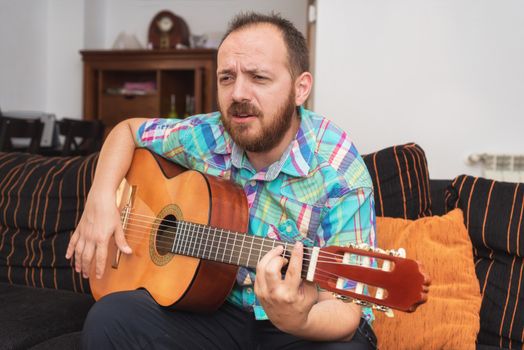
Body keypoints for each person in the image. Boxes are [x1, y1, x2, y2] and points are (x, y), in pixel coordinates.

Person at [66, 12, 377, 350]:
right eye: (227, 78)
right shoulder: (206, 134)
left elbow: (347, 312)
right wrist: (100, 199)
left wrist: (297, 319)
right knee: (109, 319)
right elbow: (126, 131)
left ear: (300, 88)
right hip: (214, 311)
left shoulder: (339, 168)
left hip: (300, 324)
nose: (237, 94)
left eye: (258, 77)